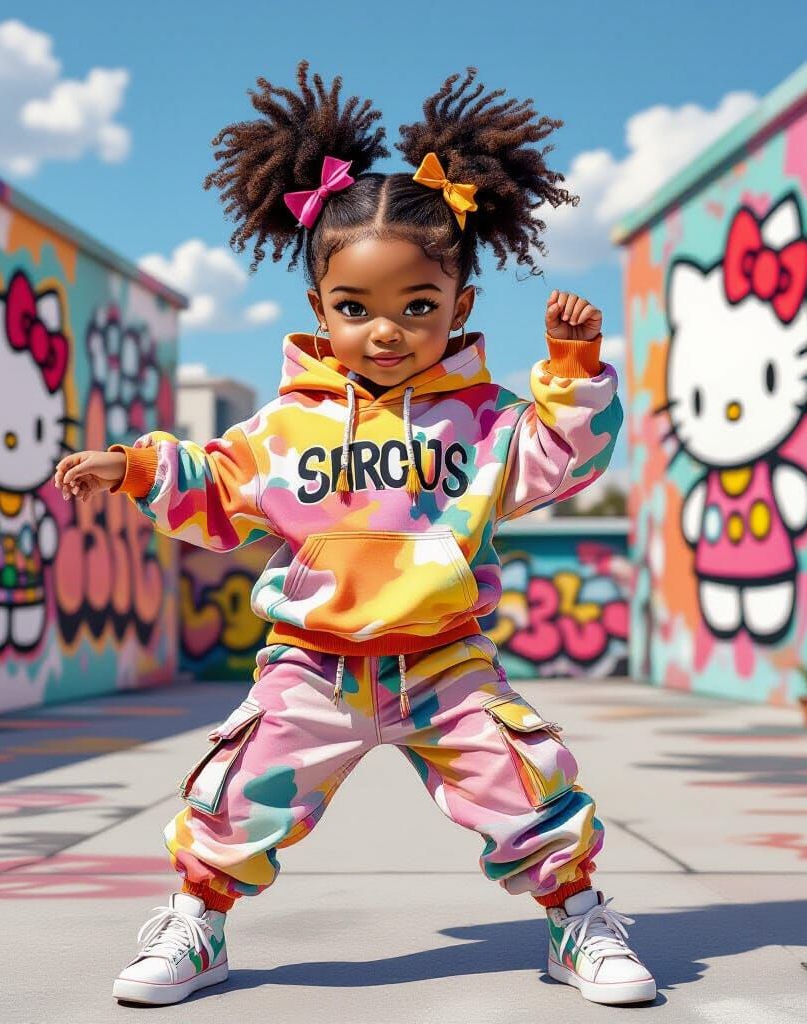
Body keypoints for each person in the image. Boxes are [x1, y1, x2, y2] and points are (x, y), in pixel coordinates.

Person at [53, 61, 655, 1008]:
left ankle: (576, 921)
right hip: (312, 664)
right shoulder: (285, 428)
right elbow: (216, 484)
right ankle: (197, 926)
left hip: (445, 663)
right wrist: (132, 466)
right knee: (235, 793)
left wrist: (574, 370)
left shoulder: (487, 421)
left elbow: (561, 460)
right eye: (355, 308)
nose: (387, 330)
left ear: (459, 304)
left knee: (529, 790)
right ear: (318, 309)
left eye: (418, 306)